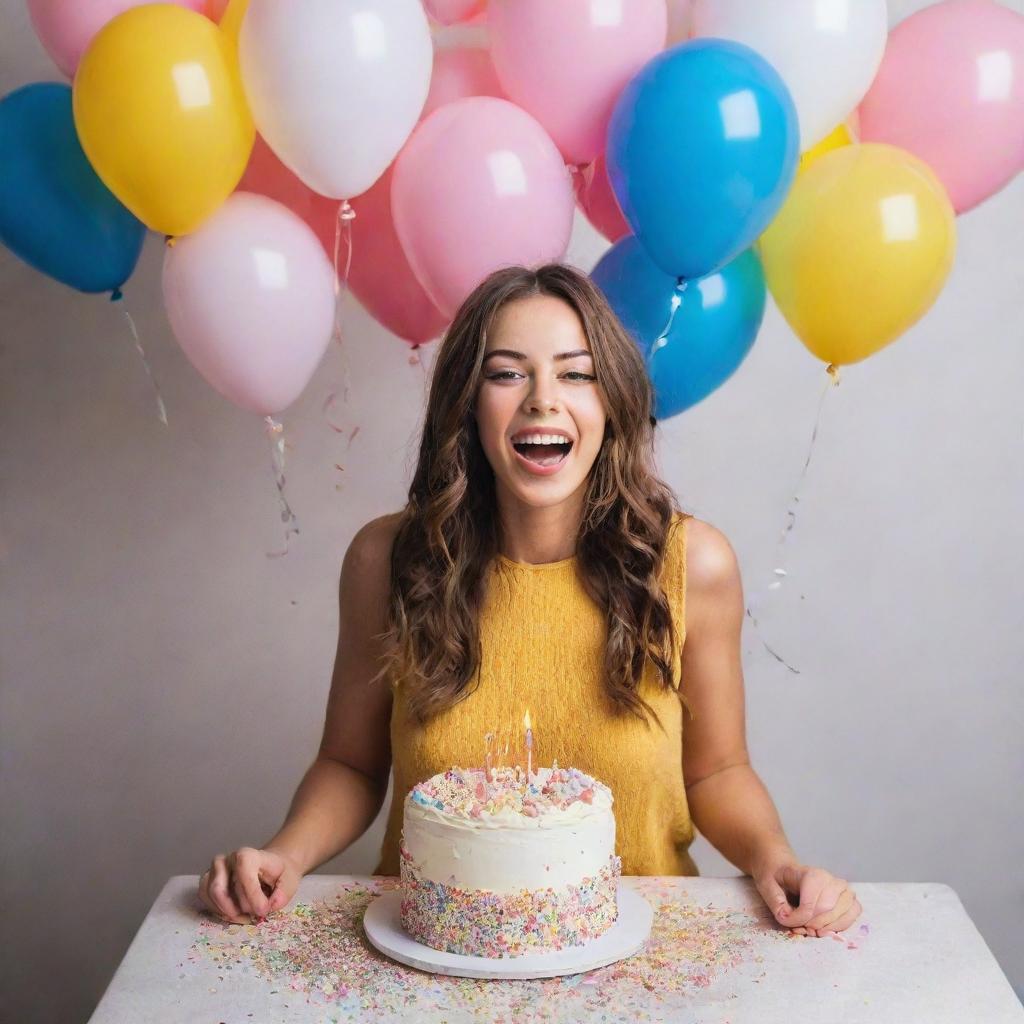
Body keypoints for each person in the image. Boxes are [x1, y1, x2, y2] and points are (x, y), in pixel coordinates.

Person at [198, 263, 861, 939]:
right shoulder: (386, 561)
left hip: (640, 957)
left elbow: (719, 769)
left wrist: (775, 860)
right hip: (435, 955)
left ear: (612, 402)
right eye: (508, 372)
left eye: (576, 373)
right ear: (467, 400)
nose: (543, 399)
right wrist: (285, 852)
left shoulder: (694, 563)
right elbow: (350, 764)